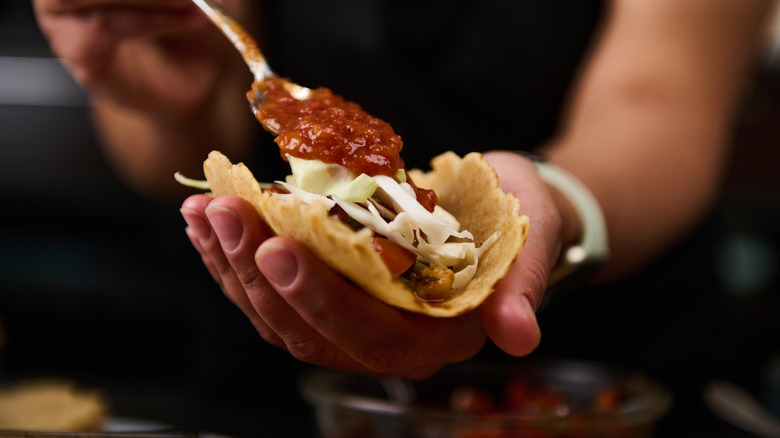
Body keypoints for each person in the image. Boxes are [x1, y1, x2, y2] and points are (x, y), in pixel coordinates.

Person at [32, 0, 775, 381]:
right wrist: (166, 96)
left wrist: (540, 206)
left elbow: (661, 104)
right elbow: (178, 140)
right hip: (277, 376)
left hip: (611, 365)